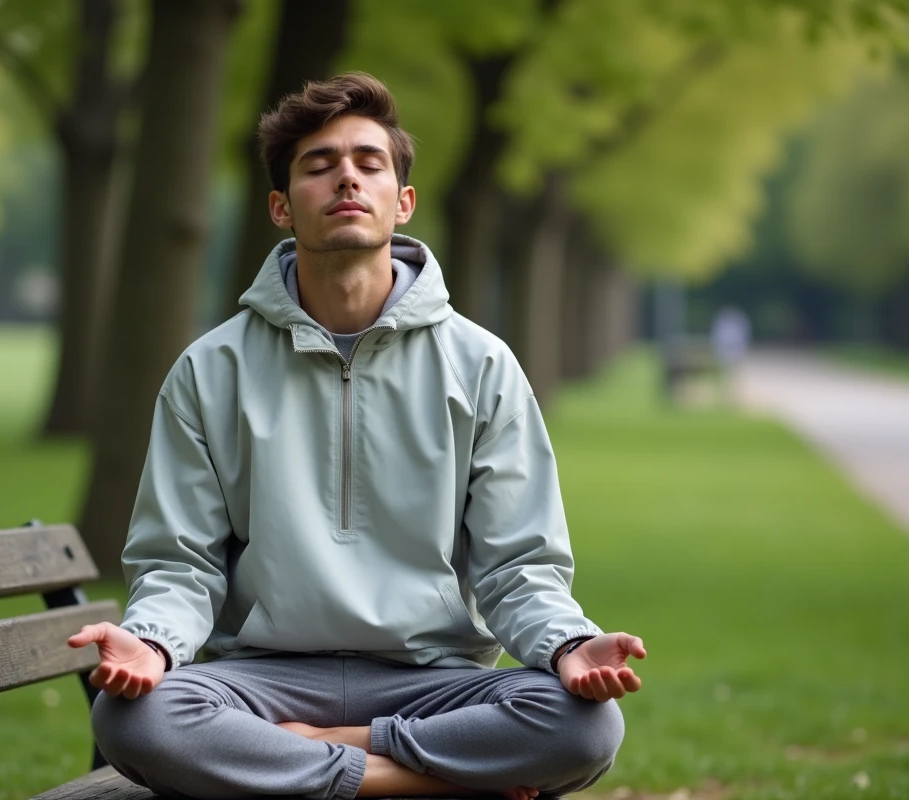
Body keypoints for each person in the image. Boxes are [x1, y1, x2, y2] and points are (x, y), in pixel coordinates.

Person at [69, 72, 645, 800]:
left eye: (369, 163)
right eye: (319, 165)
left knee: (585, 726)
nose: (347, 176)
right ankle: (421, 785)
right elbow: (180, 563)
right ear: (281, 207)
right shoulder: (210, 369)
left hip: (432, 681)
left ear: (402, 202)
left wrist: (567, 645)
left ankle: (327, 758)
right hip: (263, 681)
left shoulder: (483, 365)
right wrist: (150, 643)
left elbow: (517, 566)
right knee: (135, 720)